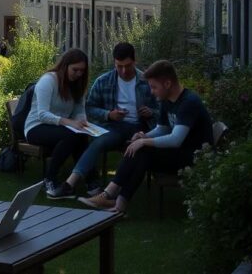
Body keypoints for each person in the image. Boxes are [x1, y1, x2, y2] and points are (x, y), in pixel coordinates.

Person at [79, 60, 213, 214]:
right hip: (179, 153)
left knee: (143, 150)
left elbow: (176, 140)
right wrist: (144, 135)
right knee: (141, 152)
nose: (152, 91)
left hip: (194, 157)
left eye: (154, 87)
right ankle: (117, 203)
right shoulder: (167, 100)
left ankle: (110, 196)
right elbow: (162, 129)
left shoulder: (188, 103)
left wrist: (144, 141)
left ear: (168, 84)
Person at [55, 43, 160, 197]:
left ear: (135, 61)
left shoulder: (146, 82)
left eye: (127, 66)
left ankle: (116, 194)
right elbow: (89, 107)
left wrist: (151, 112)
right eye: (119, 66)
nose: (123, 71)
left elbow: (164, 110)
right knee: (99, 142)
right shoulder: (104, 81)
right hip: (115, 126)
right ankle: (70, 182)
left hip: (140, 127)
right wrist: (108, 115)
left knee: (136, 149)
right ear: (114, 63)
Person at [24, 48, 91, 199]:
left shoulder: (78, 84)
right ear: (65, 65)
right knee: (71, 136)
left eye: (82, 71)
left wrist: (82, 120)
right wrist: (69, 122)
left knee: (81, 136)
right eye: (75, 70)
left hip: (59, 127)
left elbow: (79, 108)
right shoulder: (48, 81)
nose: (79, 74)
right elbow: (42, 114)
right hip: (36, 127)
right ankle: (50, 179)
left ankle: (90, 181)